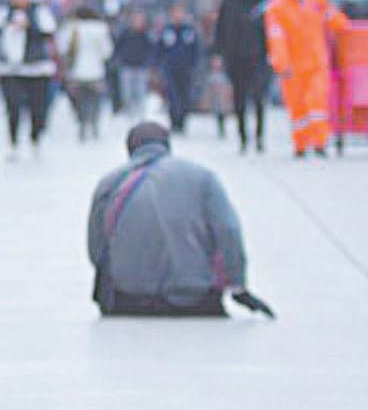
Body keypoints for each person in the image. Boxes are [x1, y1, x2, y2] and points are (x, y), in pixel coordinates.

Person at [88, 122, 270, 317]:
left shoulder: (110, 183)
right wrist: (237, 285)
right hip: (196, 299)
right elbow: (228, 229)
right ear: (167, 146)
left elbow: (96, 247)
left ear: (130, 149)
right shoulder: (203, 178)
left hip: (129, 300)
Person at [264, 0, 350, 157]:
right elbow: (276, 37)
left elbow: (331, 17)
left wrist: (344, 26)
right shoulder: (277, 7)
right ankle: (301, 144)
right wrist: (281, 63)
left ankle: (320, 142)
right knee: (298, 108)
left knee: (317, 103)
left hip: (317, 62)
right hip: (292, 67)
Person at [0, 0, 58, 155]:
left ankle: (36, 138)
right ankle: (13, 142)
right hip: (10, 69)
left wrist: (30, 25)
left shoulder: (38, 12)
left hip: (36, 69)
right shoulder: (4, 12)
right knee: (12, 107)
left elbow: (49, 30)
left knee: (37, 107)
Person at [214, 0, 272, 153]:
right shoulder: (230, 2)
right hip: (236, 57)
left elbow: (270, 28)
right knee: (239, 98)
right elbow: (221, 29)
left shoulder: (261, 1)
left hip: (258, 57)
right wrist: (218, 53)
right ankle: (243, 137)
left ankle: (259, 137)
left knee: (259, 97)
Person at [57, 4, 113, 142]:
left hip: (76, 72)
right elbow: (107, 52)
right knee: (95, 99)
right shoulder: (101, 29)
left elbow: (62, 49)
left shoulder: (70, 28)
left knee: (79, 99)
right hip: (96, 71)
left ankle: (82, 122)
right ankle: (94, 122)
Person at [156, 5, 203, 135]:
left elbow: (196, 49)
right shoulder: (167, 31)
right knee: (172, 96)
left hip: (186, 69)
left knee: (184, 96)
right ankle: (174, 122)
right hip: (170, 68)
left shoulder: (189, 31)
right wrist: (159, 64)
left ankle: (182, 121)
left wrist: (195, 65)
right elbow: (159, 48)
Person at [111, 9, 157, 120]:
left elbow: (152, 50)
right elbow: (117, 48)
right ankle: (129, 113)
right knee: (126, 93)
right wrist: (118, 60)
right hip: (127, 66)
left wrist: (150, 64)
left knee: (141, 92)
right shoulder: (125, 33)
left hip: (141, 68)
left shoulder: (146, 35)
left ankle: (140, 114)